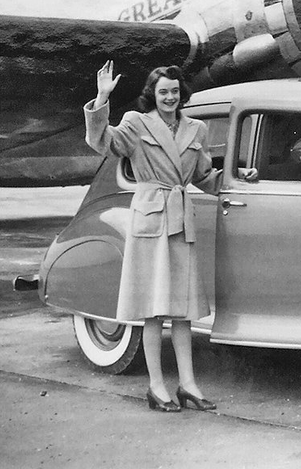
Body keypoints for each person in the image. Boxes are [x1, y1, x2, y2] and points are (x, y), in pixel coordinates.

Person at [85, 60, 218, 413]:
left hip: (180, 219)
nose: (170, 97)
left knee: (184, 310)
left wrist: (239, 180)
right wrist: (101, 98)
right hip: (151, 219)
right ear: (152, 95)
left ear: (181, 93)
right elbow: (103, 142)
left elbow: (204, 175)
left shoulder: (197, 129)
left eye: (175, 91)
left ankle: (188, 385)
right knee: (153, 310)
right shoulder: (135, 123)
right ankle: (157, 387)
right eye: (163, 92)